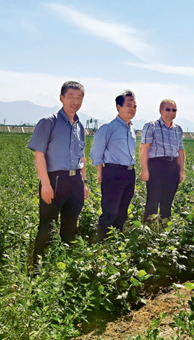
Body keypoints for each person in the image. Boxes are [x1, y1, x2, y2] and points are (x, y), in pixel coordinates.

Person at [27, 81, 88, 265]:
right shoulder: (48, 122)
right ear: (61, 98)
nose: (75, 101)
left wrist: (84, 183)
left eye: (79, 97)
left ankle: (64, 267)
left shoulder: (79, 126)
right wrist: (45, 184)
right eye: (71, 97)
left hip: (75, 180)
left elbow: (82, 158)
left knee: (70, 225)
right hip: (55, 180)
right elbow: (40, 155)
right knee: (48, 226)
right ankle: (37, 269)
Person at [90, 90, 137, 241]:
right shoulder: (108, 127)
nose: (132, 109)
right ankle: (102, 244)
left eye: (135, 106)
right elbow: (97, 152)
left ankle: (116, 243)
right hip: (113, 172)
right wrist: (100, 172)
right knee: (110, 212)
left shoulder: (132, 129)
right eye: (129, 105)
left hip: (129, 173)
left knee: (122, 211)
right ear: (118, 106)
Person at [140, 99, 185, 222]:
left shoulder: (178, 129)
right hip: (156, 165)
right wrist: (144, 170)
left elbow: (180, 152)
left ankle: (164, 228)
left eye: (174, 110)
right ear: (160, 110)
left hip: (172, 166)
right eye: (168, 109)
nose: (171, 112)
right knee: (153, 200)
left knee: (168, 201)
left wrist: (181, 171)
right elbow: (144, 149)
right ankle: (148, 229)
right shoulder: (151, 126)